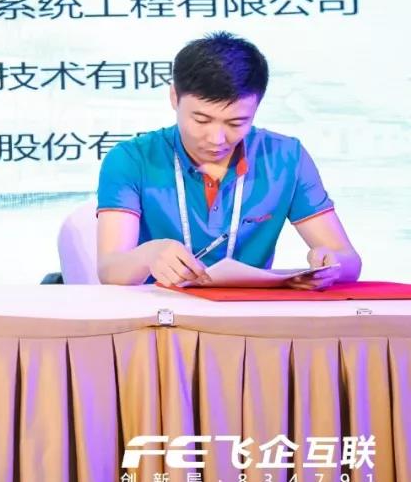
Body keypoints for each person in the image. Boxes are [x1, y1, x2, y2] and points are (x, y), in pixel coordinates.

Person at [96, 31, 361, 289]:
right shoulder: (131, 159)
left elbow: (349, 261)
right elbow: (110, 270)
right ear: (174, 97)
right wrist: (148, 255)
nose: (217, 138)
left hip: (250, 312)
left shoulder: (286, 157)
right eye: (201, 120)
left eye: (236, 122)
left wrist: (331, 265)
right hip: (159, 310)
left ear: (257, 107)